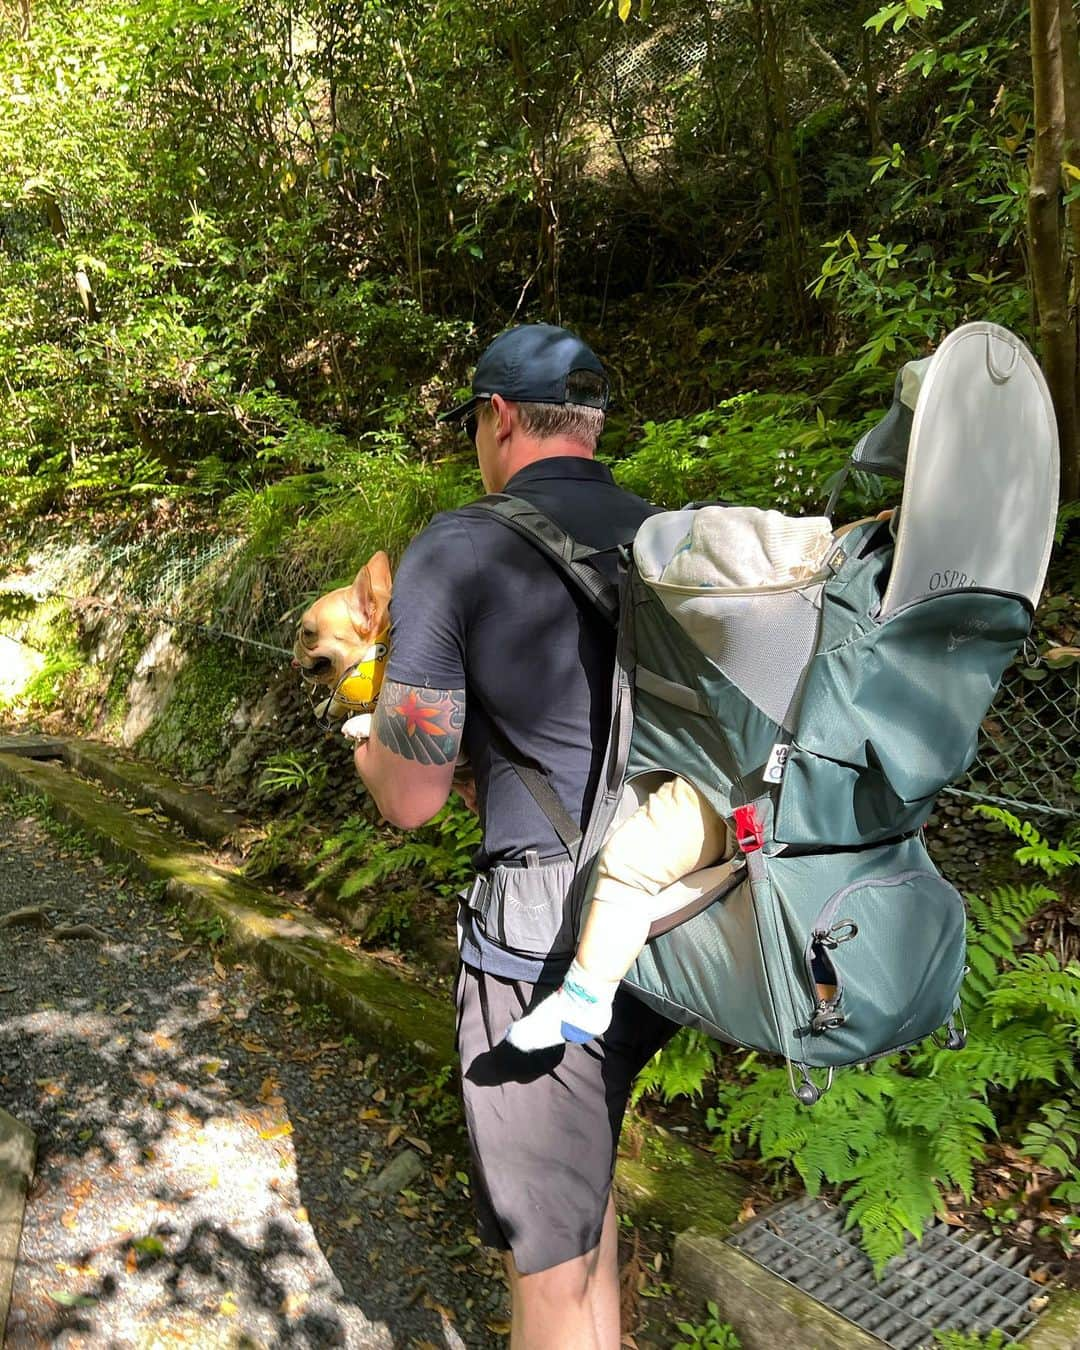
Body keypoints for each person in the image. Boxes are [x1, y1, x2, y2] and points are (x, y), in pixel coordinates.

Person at [352, 323, 679, 1350]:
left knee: (547, 1267)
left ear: (497, 419)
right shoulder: (663, 534)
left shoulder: (460, 545)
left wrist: (365, 737)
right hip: (662, 911)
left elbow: (409, 797)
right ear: (591, 424)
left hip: (539, 946)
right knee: (583, 1196)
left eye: (475, 427)